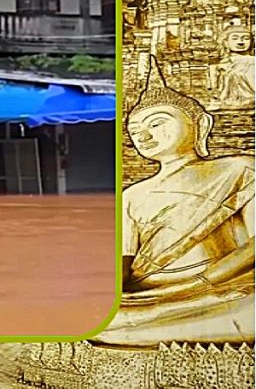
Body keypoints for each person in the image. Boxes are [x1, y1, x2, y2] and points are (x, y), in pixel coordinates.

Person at [91, 60, 254, 347]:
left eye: (157, 122)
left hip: (225, 289)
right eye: (135, 130)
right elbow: (123, 262)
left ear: (200, 124)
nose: (144, 135)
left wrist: (204, 281)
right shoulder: (133, 195)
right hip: (150, 296)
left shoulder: (240, 170)